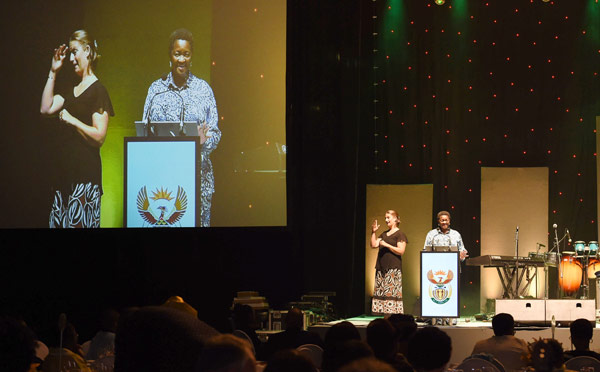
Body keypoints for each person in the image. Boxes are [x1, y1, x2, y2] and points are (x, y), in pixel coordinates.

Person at [142, 28, 221, 227]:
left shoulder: (203, 90)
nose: (181, 59)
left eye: (186, 54)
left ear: (191, 56)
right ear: (170, 55)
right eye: (177, 53)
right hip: (163, 181)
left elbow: (215, 132)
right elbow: (144, 130)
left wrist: (205, 141)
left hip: (198, 179)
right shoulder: (156, 90)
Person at [40, 30, 114, 228]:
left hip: (84, 180)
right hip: (64, 177)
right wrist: (53, 71)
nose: (71, 58)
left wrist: (72, 120)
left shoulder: (98, 90)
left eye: (75, 52)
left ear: (88, 51)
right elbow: (45, 109)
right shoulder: (70, 89)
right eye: (70, 53)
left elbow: (99, 137)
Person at [370, 210, 408, 315]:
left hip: (393, 269)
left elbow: (401, 251)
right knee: (383, 297)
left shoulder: (400, 234)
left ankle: (391, 322)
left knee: (391, 296)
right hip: (381, 268)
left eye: (388, 218)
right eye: (385, 218)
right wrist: (373, 232)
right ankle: (385, 322)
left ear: (395, 219)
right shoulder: (384, 234)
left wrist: (387, 245)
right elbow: (373, 244)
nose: (386, 220)